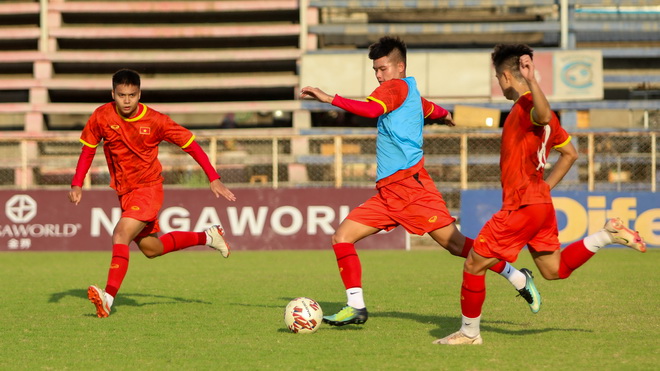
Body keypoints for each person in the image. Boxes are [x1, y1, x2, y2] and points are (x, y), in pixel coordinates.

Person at [300, 36, 541, 327]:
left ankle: (517, 276)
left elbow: (371, 110)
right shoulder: (409, 90)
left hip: (412, 189)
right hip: (389, 193)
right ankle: (356, 306)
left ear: (400, 66)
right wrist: (445, 115)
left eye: (384, 68)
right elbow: (428, 108)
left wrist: (329, 98)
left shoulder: (395, 87)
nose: (379, 75)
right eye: (375, 70)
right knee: (342, 238)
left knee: (456, 246)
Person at [435, 44, 647, 345]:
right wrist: (543, 189)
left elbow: (543, 114)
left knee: (473, 264)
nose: (498, 83)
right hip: (540, 203)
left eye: (498, 77)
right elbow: (571, 154)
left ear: (506, 76)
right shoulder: (529, 113)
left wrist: (533, 81)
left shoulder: (526, 108)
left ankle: (469, 334)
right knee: (553, 270)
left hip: (521, 205)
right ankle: (606, 236)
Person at [68, 68, 236, 318]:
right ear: (112, 93)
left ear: (140, 94)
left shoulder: (156, 120)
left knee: (120, 234)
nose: (126, 101)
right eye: (121, 95)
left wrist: (213, 177)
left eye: (132, 95)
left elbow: (190, 144)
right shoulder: (101, 116)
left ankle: (108, 297)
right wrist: (77, 182)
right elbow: (88, 150)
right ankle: (209, 237)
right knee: (152, 249)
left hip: (148, 189)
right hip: (124, 192)